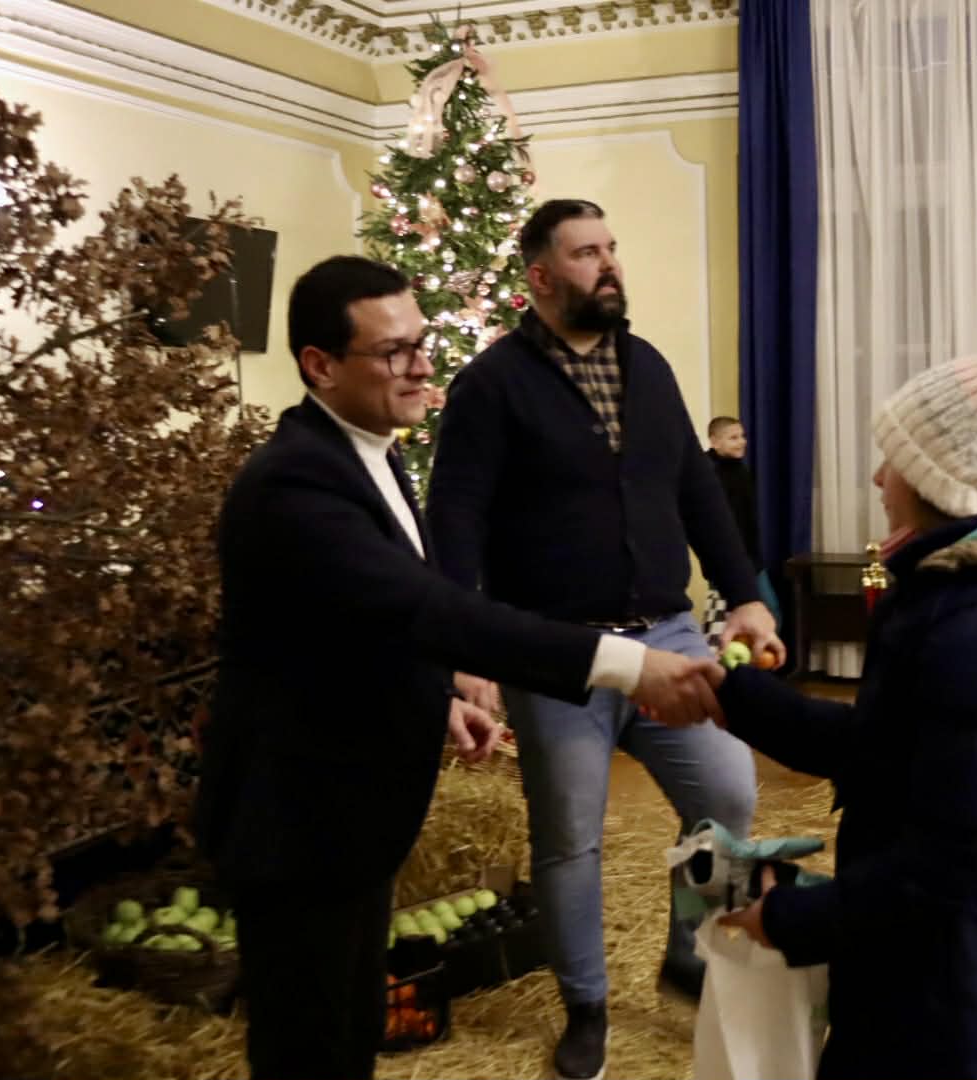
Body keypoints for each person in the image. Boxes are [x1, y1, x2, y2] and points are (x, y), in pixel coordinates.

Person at [194, 255, 725, 1080]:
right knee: (308, 1049)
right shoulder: (294, 485)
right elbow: (430, 610)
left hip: (354, 816)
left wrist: (436, 700)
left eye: (422, 343)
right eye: (393, 351)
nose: (420, 366)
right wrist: (628, 665)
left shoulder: (369, 448)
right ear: (320, 365)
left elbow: (357, 624)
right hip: (298, 824)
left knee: (351, 1032)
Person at [705, 311, 977, 1080]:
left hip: (947, 1010)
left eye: (893, 460)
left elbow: (946, 871)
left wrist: (792, 918)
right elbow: (888, 750)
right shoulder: (960, 597)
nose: (878, 479)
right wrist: (735, 698)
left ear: (942, 478)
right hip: (933, 979)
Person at [425, 199, 784, 1080]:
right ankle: (585, 1005)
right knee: (570, 839)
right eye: (588, 252)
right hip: (555, 656)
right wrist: (465, 650)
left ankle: (690, 954)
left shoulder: (647, 366)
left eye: (612, 247)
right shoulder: (491, 385)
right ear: (541, 277)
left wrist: (746, 595)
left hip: (668, 634)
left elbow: (697, 492)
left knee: (728, 792)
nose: (610, 263)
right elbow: (456, 522)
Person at [700, 416, 781, 645]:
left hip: (750, 558)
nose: (742, 442)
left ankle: (753, 658)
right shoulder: (708, 473)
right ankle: (735, 662)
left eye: (742, 436)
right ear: (715, 442)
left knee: (770, 611)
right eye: (733, 438)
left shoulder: (740, 470)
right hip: (726, 561)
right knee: (732, 617)